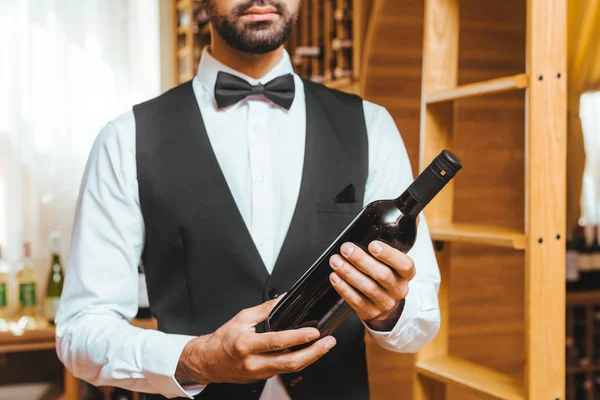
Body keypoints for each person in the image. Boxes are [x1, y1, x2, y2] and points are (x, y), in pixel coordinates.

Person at [55, 0, 441, 399]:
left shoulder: (371, 126)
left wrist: (389, 310)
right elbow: (81, 329)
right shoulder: (124, 140)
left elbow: (423, 317)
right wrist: (193, 358)